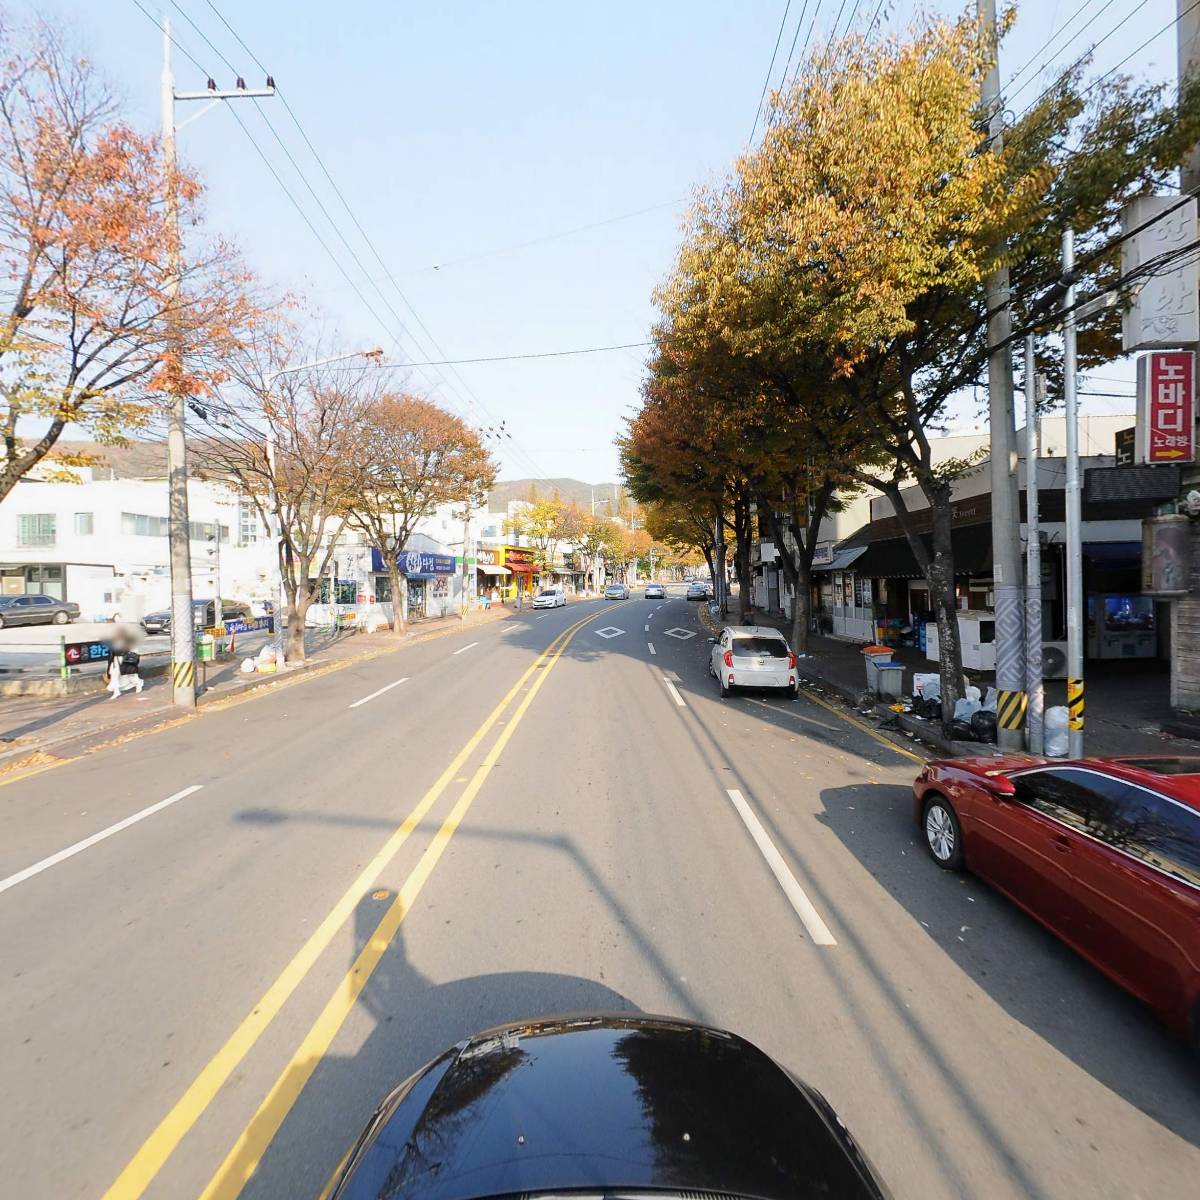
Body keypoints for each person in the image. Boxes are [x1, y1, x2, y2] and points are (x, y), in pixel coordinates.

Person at [106, 627, 144, 699]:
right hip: (116, 662)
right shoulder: (114, 641)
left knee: (131, 676)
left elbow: (134, 651)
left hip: (126, 661)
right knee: (114, 676)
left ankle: (138, 683)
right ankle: (116, 691)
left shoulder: (128, 641)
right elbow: (112, 653)